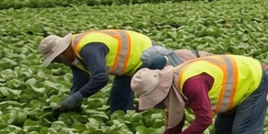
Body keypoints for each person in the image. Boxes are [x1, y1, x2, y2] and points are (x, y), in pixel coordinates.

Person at [133, 53, 268, 134]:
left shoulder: (191, 83)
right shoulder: (173, 85)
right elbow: (174, 123)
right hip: (237, 86)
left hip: (256, 79)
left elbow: (204, 120)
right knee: (222, 133)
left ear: (161, 90)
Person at [39, 30, 172, 114]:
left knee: (156, 95)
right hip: (129, 66)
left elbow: (101, 78)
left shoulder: (87, 48)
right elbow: (81, 79)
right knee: (118, 105)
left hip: (148, 54)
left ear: (63, 51)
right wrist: (70, 103)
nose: (59, 62)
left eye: (57, 58)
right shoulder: (72, 57)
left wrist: (78, 97)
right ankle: (128, 118)